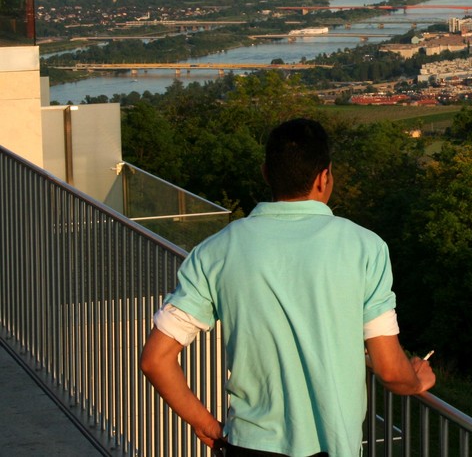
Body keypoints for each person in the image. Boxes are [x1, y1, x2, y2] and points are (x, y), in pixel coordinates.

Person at [141, 118, 435, 457]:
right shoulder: (365, 248)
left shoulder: (215, 251)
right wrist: (418, 379)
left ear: (266, 173)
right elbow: (390, 371)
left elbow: (155, 360)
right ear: (325, 177)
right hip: (333, 447)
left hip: (249, 445)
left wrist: (206, 424)